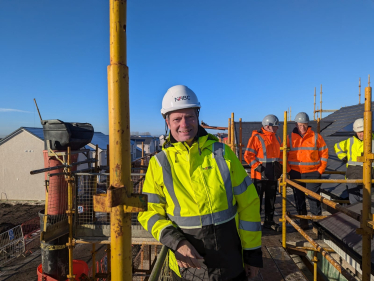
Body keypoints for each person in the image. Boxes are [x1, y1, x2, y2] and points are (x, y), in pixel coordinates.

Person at [138, 85, 262, 281]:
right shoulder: (159, 164)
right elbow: (149, 212)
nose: (184, 124)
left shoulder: (223, 154)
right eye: (177, 119)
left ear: (197, 116)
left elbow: (249, 205)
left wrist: (253, 254)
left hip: (231, 264)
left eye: (189, 117)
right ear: (167, 122)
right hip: (188, 268)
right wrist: (176, 242)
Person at [287, 112, 328, 230]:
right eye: (300, 125)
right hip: (296, 172)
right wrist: (289, 170)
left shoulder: (316, 137)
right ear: (296, 124)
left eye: (304, 124)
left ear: (308, 124)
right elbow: (283, 155)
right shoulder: (290, 137)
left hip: (313, 173)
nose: (302, 127)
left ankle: (317, 225)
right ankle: (303, 222)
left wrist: (320, 170)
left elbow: (324, 153)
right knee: (299, 199)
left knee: (314, 199)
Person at [244, 114, 282, 232]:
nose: (277, 128)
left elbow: (279, 156)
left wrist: (279, 167)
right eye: (275, 126)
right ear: (268, 126)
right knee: (257, 201)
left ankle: (268, 221)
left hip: (272, 175)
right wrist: (258, 167)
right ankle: (255, 224)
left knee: (271, 200)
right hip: (259, 176)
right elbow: (248, 155)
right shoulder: (256, 138)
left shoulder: (277, 138)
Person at [334, 118, 373, 203]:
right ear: (355, 132)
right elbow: (337, 147)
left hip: (368, 179)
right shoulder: (350, 141)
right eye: (359, 132)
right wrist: (344, 157)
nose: (361, 134)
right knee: (354, 205)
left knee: (365, 205)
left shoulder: (373, 141)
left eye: (363, 131)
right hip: (352, 178)